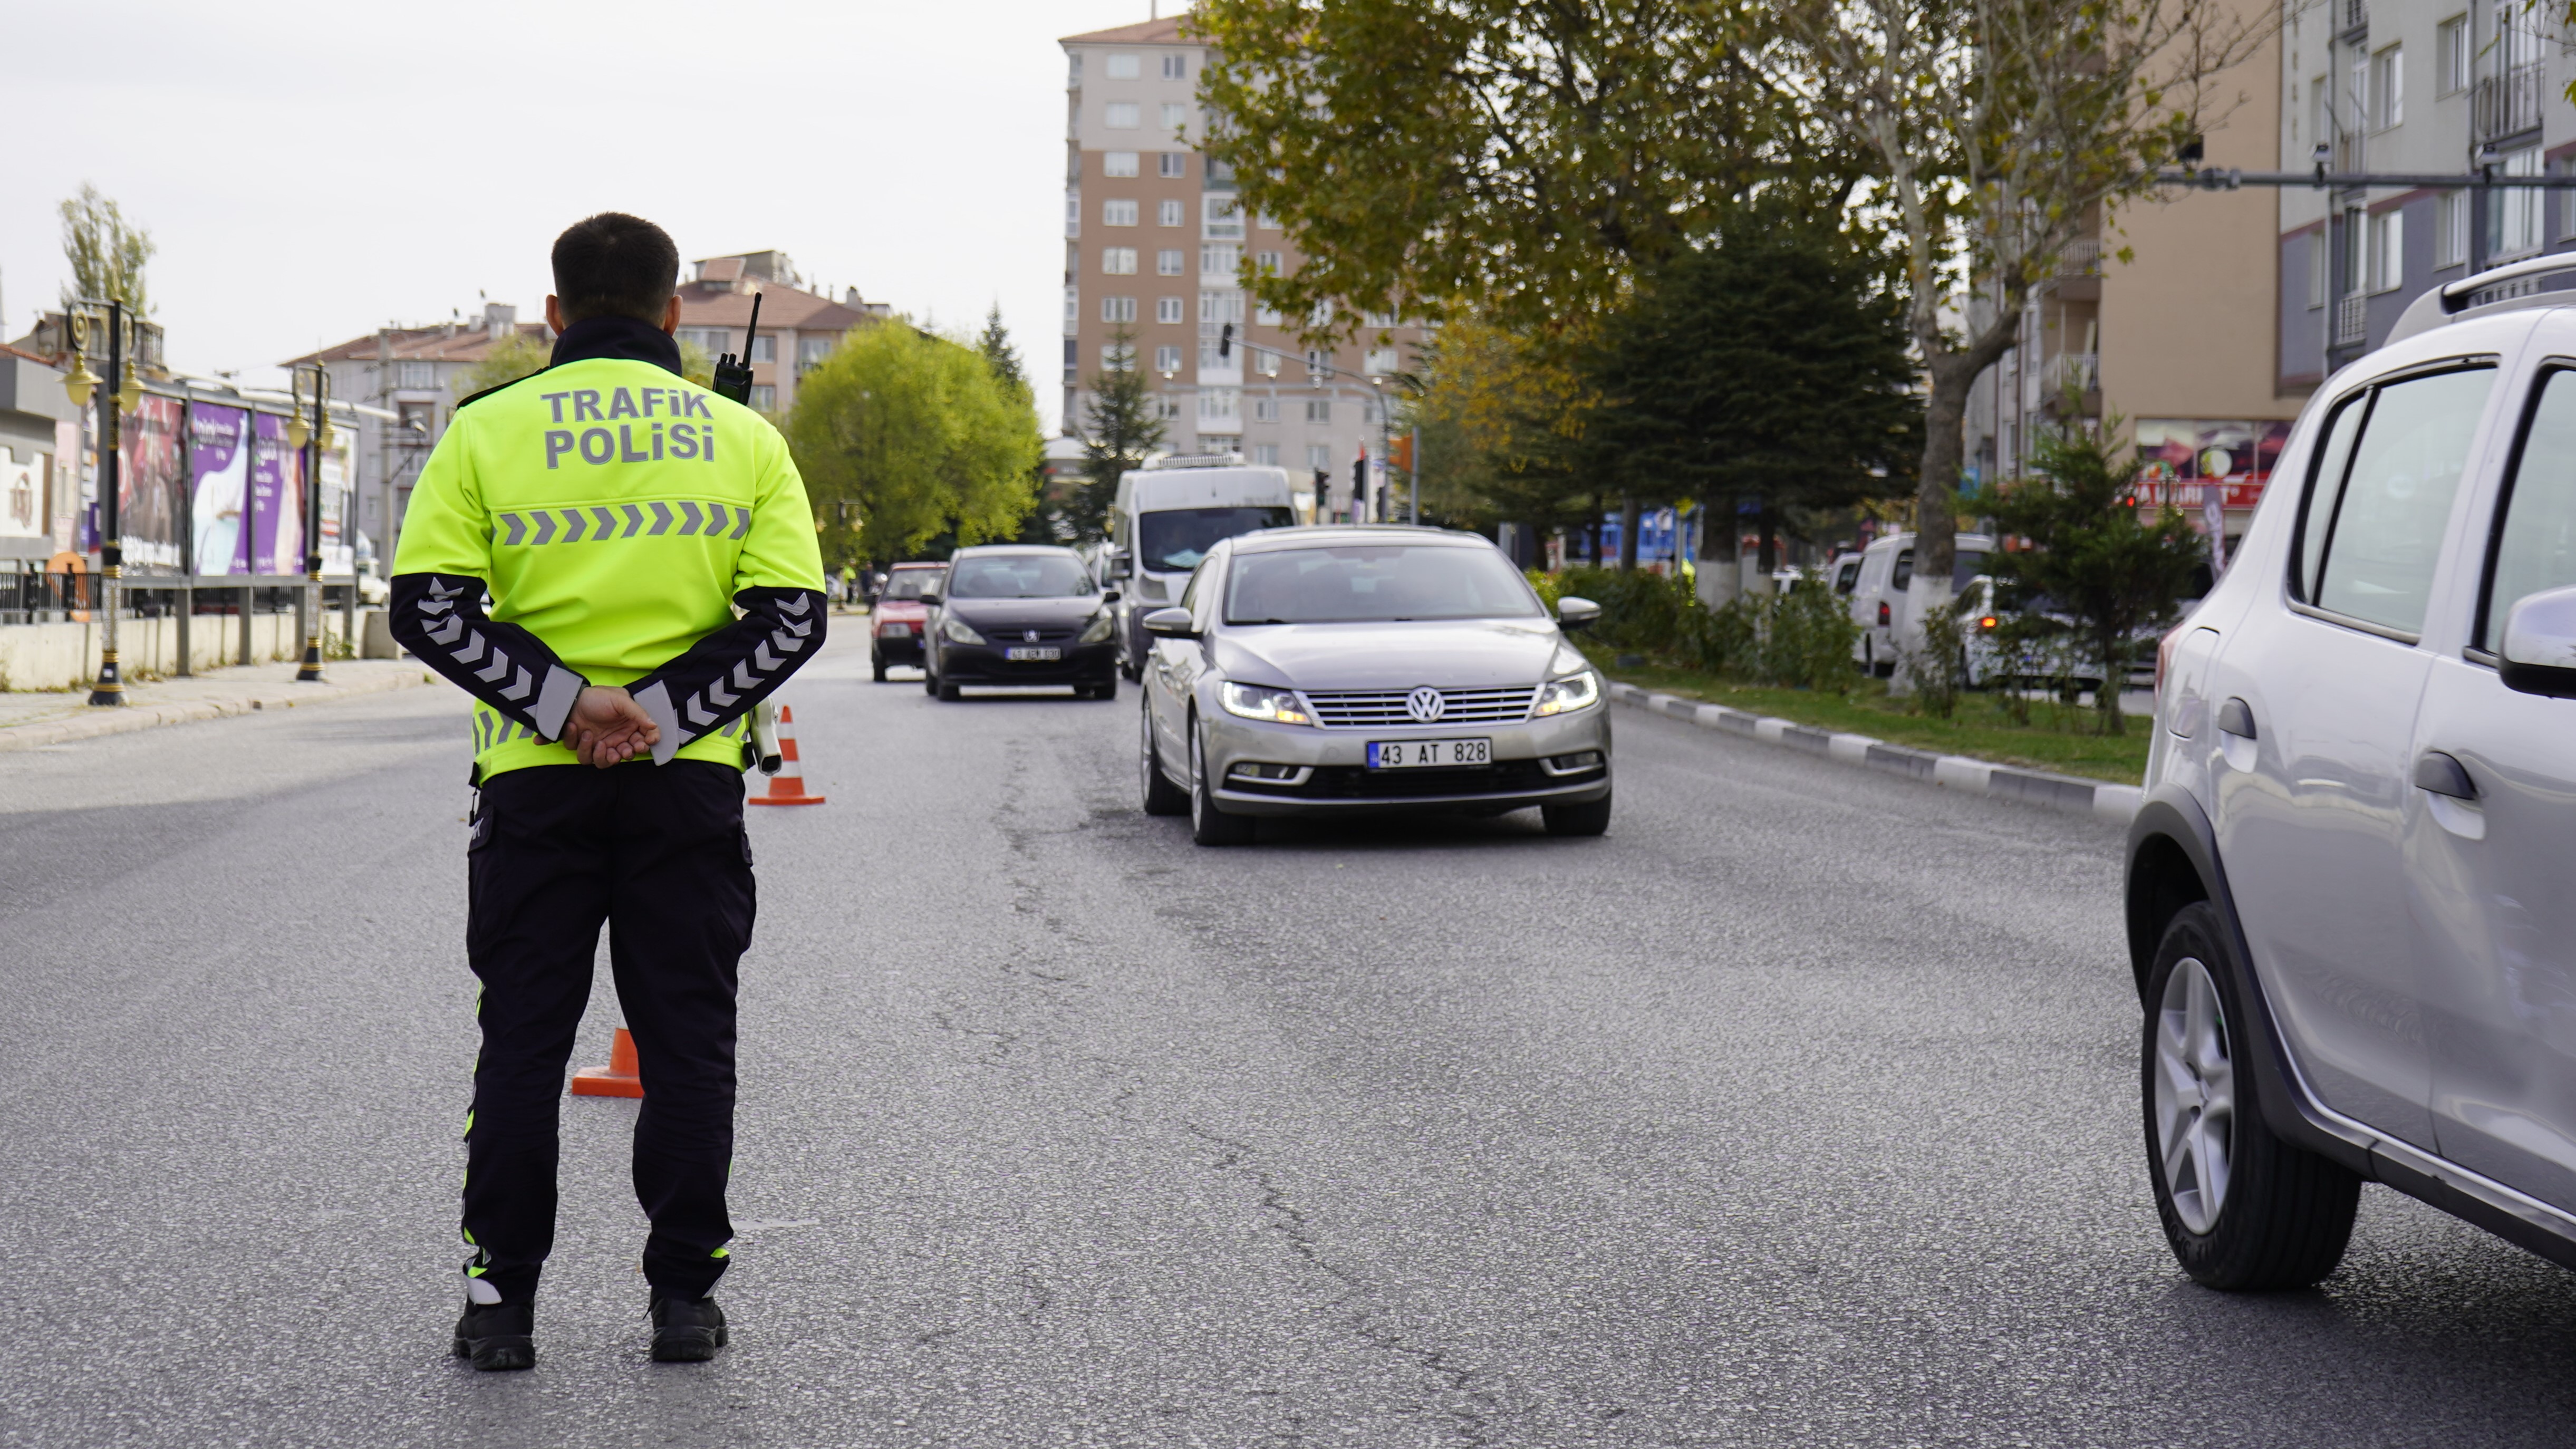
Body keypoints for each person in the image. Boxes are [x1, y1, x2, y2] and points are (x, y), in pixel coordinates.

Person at [389, 212, 826, 1371]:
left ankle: (501, 1308)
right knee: (687, 1045)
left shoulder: (485, 430)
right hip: (686, 788)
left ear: (554, 313)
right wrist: (662, 715)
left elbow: (427, 608)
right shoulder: (742, 440)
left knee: (522, 1046)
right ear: (674, 312)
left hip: (536, 786)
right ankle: (684, 1300)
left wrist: (567, 703)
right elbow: (792, 618)